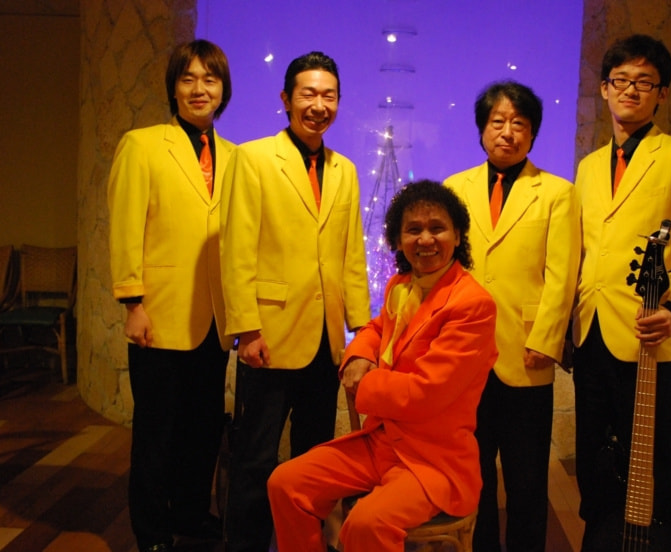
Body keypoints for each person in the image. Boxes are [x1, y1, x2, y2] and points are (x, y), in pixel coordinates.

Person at [266, 180, 498, 552]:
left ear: (457, 235)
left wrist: (364, 383)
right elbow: (375, 329)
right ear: (398, 239)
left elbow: (426, 393)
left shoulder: (473, 304)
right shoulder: (401, 285)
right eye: (413, 229)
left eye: (437, 228)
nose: (425, 239)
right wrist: (358, 356)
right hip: (381, 442)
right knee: (285, 483)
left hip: (434, 460)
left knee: (366, 523)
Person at [571, 34, 671, 551]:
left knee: (652, 460)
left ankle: (652, 540)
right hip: (591, 332)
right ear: (604, 88)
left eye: (644, 82)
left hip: (648, 334)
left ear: (663, 93)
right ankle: (599, 539)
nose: (630, 90)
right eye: (621, 80)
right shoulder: (589, 166)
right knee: (592, 456)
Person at [219, 51, 371, 552]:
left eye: (329, 95)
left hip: (325, 343)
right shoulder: (254, 157)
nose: (318, 105)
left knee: (314, 458)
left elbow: (351, 257)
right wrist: (246, 330)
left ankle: (303, 544)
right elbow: (237, 250)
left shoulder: (345, 170)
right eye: (308, 94)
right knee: (255, 457)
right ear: (286, 99)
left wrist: (362, 334)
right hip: (269, 336)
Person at [107, 39, 234, 552]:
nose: (199, 89)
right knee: (157, 430)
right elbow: (125, 226)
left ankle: (190, 512)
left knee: (203, 426)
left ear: (223, 90)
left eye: (210, 79)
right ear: (173, 88)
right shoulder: (141, 145)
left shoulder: (235, 157)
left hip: (215, 317)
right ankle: (152, 529)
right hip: (158, 313)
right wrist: (132, 303)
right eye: (188, 78)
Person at [444, 81, 580, 552]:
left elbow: (562, 276)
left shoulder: (558, 193)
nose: (507, 132)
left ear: (533, 132)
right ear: (482, 130)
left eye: (518, 123)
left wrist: (547, 338)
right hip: (465, 356)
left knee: (527, 478)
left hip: (527, 353)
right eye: (497, 122)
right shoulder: (454, 188)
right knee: (472, 471)